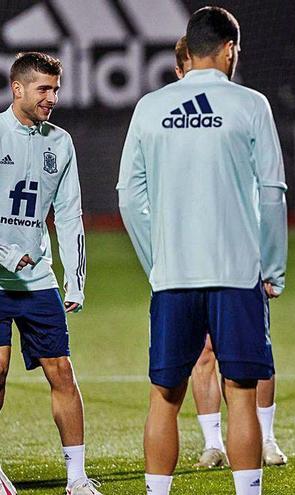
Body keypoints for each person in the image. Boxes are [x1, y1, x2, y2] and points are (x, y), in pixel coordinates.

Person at [117, 7, 288, 494]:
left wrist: (158, 260)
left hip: (173, 276)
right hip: (236, 274)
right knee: (241, 391)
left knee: (165, 395)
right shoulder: (251, 103)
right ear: (230, 49)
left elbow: (129, 196)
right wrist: (272, 267)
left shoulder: (150, 107)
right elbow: (272, 192)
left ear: (186, 51)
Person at [172, 35, 287, 471]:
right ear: (179, 71)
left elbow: (267, 186)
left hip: (239, 251)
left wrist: (268, 257)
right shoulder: (171, 119)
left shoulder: (243, 108)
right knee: (202, 352)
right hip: (190, 253)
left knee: (255, 351)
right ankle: (212, 443)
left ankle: (267, 437)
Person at [0, 52, 101, 495]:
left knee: (61, 370)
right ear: (17, 89)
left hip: (37, 279)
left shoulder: (59, 142)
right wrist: (4, 253)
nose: (52, 98)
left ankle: (76, 478)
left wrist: (74, 279)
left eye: (56, 89)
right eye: (44, 89)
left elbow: (70, 214)